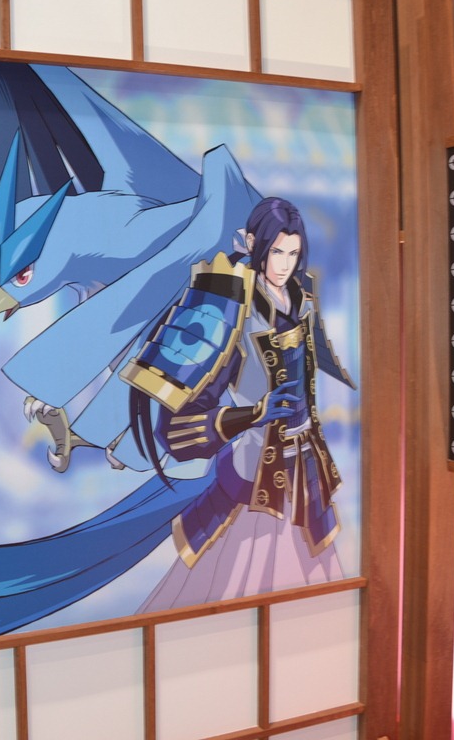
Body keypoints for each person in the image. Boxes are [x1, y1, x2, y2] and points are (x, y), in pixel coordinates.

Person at [122, 197, 355, 610]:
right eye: (276, 252)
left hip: (306, 469)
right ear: (252, 243)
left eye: (293, 253)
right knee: (238, 590)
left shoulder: (301, 299)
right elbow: (176, 428)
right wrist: (253, 414)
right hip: (255, 472)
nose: (284, 265)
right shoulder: (226, 305)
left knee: (310, 595)